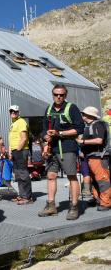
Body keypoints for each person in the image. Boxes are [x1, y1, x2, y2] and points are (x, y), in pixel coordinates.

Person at [39, 84, 84, 220]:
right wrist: (45, 136)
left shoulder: (72, 108)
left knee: (71, 176)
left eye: (61, 95)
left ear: (65, 95)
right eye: (56, 94)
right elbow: (43, 129)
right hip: (52, 149)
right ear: (52, 94)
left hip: (67, 148)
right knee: (51, 176)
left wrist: (60, 133)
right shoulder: (48, 109)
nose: (58, 97)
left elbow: (79, 128)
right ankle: (51, 205)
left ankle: (74, 206)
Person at [77, 106, 110, 211]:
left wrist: (83, 142)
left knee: (102, 179)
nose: (82, 115)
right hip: (91, 157)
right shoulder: (90, 125)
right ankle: (98, 199)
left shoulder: (98, 125)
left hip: (99, 156)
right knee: (95, 180)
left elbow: (99, 140)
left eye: (84, 114)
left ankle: (106, 202)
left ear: (89, 115)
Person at [8, 105, 33, 205]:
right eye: (11, 111)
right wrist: (10, 151)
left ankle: (27, 197)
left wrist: (18, 150)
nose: (13, 113)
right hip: (15, 150)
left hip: (21, 150)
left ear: (18, 112)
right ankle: (22, 195)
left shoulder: (21, 122)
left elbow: (23, 138)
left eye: (15, 111)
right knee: (18, 174)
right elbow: (12, 138)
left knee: (23, 173)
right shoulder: (13, 123)